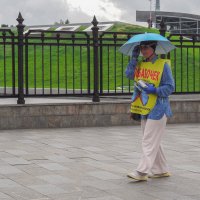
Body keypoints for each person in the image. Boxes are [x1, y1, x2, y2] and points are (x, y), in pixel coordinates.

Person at [125, 40, 175, 181]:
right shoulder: (140, 64)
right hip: (144, 107)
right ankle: (161, 170)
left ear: (153, 48)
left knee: (148, 140)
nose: (143, 50)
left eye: (146, 47)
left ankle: (141, 172)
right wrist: (134, 59)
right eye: (141, 48)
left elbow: (170, 87)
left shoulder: (163, 65)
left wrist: (155, 90)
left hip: (159, 108)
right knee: (153, 140)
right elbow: (129, 75)